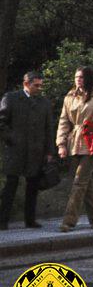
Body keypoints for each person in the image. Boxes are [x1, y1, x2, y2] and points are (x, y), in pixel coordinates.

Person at [56, 66, 93, 232]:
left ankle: (68, 220)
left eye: (81, 77)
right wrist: (61, 144)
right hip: (74, 142)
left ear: (88, 78)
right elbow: (63, 121)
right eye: (76, 77)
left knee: (79, 182)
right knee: (85, 183)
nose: (78, 80)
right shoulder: (70, 96)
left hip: (92, 142)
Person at [0, 72, 56, 230]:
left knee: (32, 187)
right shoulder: (11, 98)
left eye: (40, 85)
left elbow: (48, 129)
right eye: (36, 85)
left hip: (36, 151)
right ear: (26, 84)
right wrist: (11, 138)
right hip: (15, 150)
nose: (39, 88)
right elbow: (2, 122)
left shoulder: (44, 102)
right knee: (10, 186)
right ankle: (3, 220)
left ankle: (30, 220)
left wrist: (50, 151)